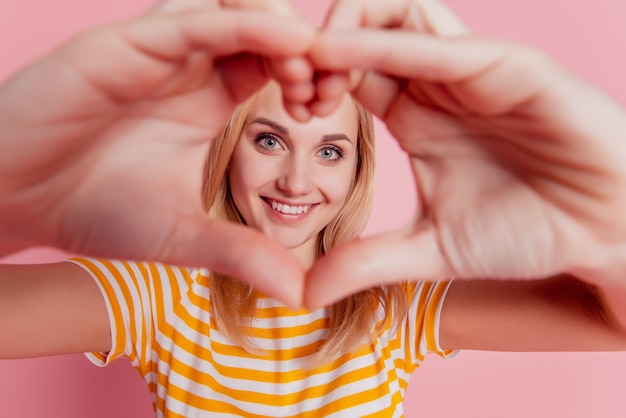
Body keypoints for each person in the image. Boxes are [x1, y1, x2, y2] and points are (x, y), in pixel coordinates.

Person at [2, 0, 626, 417]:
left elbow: (612, 324)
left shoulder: (396, 304)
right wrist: (10, 198)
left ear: (357, 168)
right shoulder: (157, 296)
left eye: (330, 150)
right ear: (229, 147)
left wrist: (610, 229)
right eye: (269, 140)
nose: (297, 181)